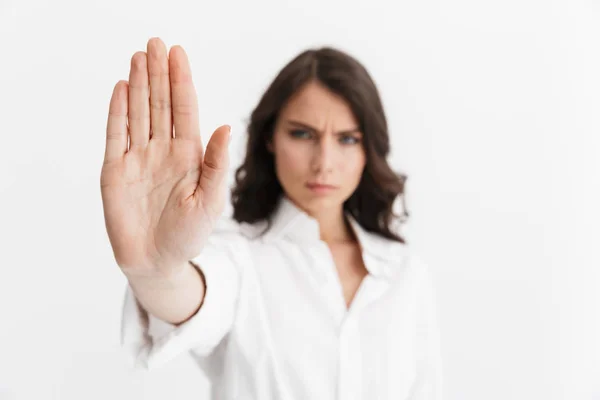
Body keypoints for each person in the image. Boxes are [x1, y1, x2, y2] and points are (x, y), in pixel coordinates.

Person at [101, 37, 443, 400]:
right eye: (302, 134)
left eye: (347, 139)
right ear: (270, 138)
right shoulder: (240, 257)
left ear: (368, 148)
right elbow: (194, 294)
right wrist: (158, 271)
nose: (324, 162)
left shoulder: (403, 273)